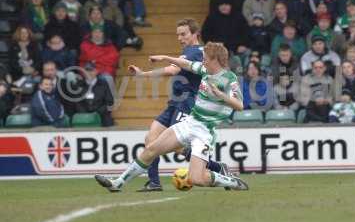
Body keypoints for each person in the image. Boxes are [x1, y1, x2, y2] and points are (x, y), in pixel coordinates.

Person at [95, 42, 249, 192]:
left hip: (204, 132)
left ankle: (231, 181)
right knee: (151, 149)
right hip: (189, 124)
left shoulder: (229, 78)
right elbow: (186, 64)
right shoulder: (204, 70)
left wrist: (221, 95)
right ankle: (118, 183)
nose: (203, 61)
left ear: (215, 59)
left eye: (205, 58)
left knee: (196, 179)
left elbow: (240, 105)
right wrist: (163, 58)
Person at [119, 19, 233, 192]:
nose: (180, 38)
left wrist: (143, 75)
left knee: (175, 145)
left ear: (195, 34)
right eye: (178, 34)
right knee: (151, 139)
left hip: (187, 103)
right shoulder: (191, 51)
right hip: (175, 102)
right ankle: (154, 182)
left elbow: (172, 70)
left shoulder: (194, 51)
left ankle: (217, 168)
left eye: (184, 34)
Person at [75, 61, 114, 127]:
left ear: (96, 71)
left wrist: (97, 113)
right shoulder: (79, 85)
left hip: (102, 115)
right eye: (87, 71)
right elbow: (77, 102)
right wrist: (86, 114)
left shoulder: (104, 84)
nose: (89, 73)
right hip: (84, 116)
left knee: (108, 121)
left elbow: (109, 102)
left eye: (91, 70)